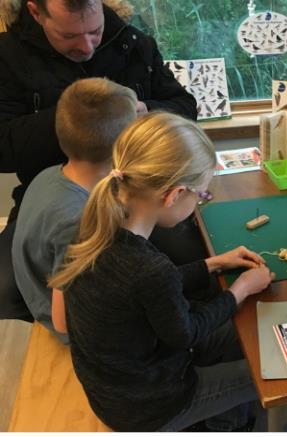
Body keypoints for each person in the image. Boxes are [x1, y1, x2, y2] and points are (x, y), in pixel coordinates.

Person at [48, 112, 274, 432]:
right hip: (153, 406)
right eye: (201, 195)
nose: (199, 203)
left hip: (115, 390)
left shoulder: (95, 226)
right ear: (174, 195)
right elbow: (187, 332)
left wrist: (214, 264)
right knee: (267, 383)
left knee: (240, 335)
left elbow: (147, 292)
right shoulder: (149, 268)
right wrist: (241, 290)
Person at [0, 0, 198, 320]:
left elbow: (185, 107)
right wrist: (80, 118)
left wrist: (147, 111)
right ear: (36, 12)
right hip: (56, 193)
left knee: (186, 263)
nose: (86, 46)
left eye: (94, 31)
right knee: (9, 292)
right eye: (69, 36)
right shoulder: (7, 58)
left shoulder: (133, 43)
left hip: (137, 194)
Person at [12, 77, 137, 343]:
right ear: (124, 146)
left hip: (42, 297)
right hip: (77, 330)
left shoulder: (49, 175)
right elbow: (64, 321)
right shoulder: (79, 220)